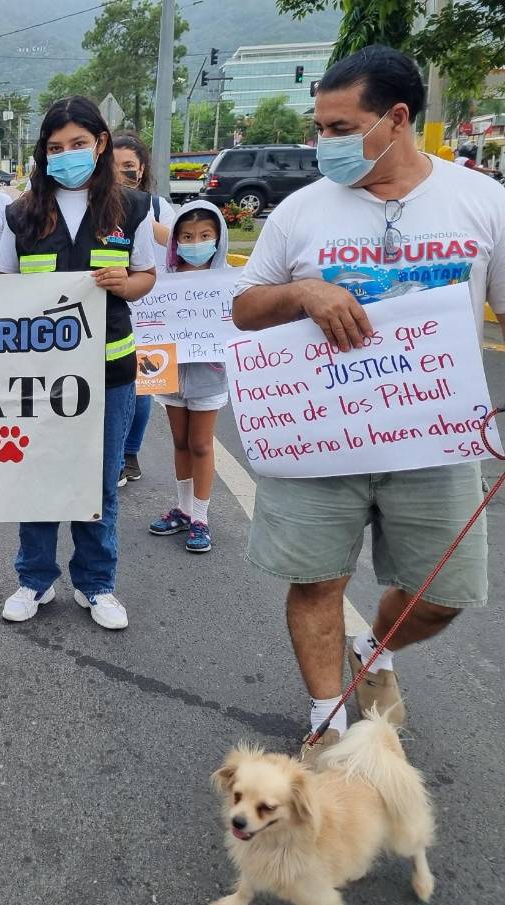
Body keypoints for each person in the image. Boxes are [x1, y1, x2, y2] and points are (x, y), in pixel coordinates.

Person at [231, 45, 505, 755]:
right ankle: (327, 724)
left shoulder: (482, 202)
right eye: (319, 127)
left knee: (442, 595)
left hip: (437, 442)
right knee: (316, 581)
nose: (323, 142)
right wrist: (303, 292)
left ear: (397, 119)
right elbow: (244, 307)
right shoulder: (300, 211)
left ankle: (375, 650)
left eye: (340, 128)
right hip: (322, 438)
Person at [0, 95, 158, 629]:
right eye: (56, 147)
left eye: (78, 144)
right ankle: (34, 580)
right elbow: (1, 282)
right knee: (38, 477)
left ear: (101, 143)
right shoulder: (21, 213)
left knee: (100, 483)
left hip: (109, 373)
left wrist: (125, 284)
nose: (66, 155)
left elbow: (146, 276)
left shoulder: (133, 208)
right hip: (37, 376)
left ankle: (97, 584)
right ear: (43, 152)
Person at [146, 201, 230, 554]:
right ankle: (183, 509)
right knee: (180, 441)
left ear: (218, 238)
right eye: (187, 236)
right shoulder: (164, 281)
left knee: (201, 444)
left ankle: (201, 517)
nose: (196, 243)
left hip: (209, 376)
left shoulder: (229, 281)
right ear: (176, 241)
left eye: (205, 235)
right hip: (170, 372)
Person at [112, 132, 177, 488]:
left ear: (142, 170)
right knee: (116, 387)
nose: (122, 173)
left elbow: (179, 243)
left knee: (143, 388)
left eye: (129, 167)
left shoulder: (156, 207)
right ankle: (112, 453)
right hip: (114, 311)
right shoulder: (97, 206)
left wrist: (139, 217)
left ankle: (130, 454)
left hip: (152, 310)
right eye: (114, 166)